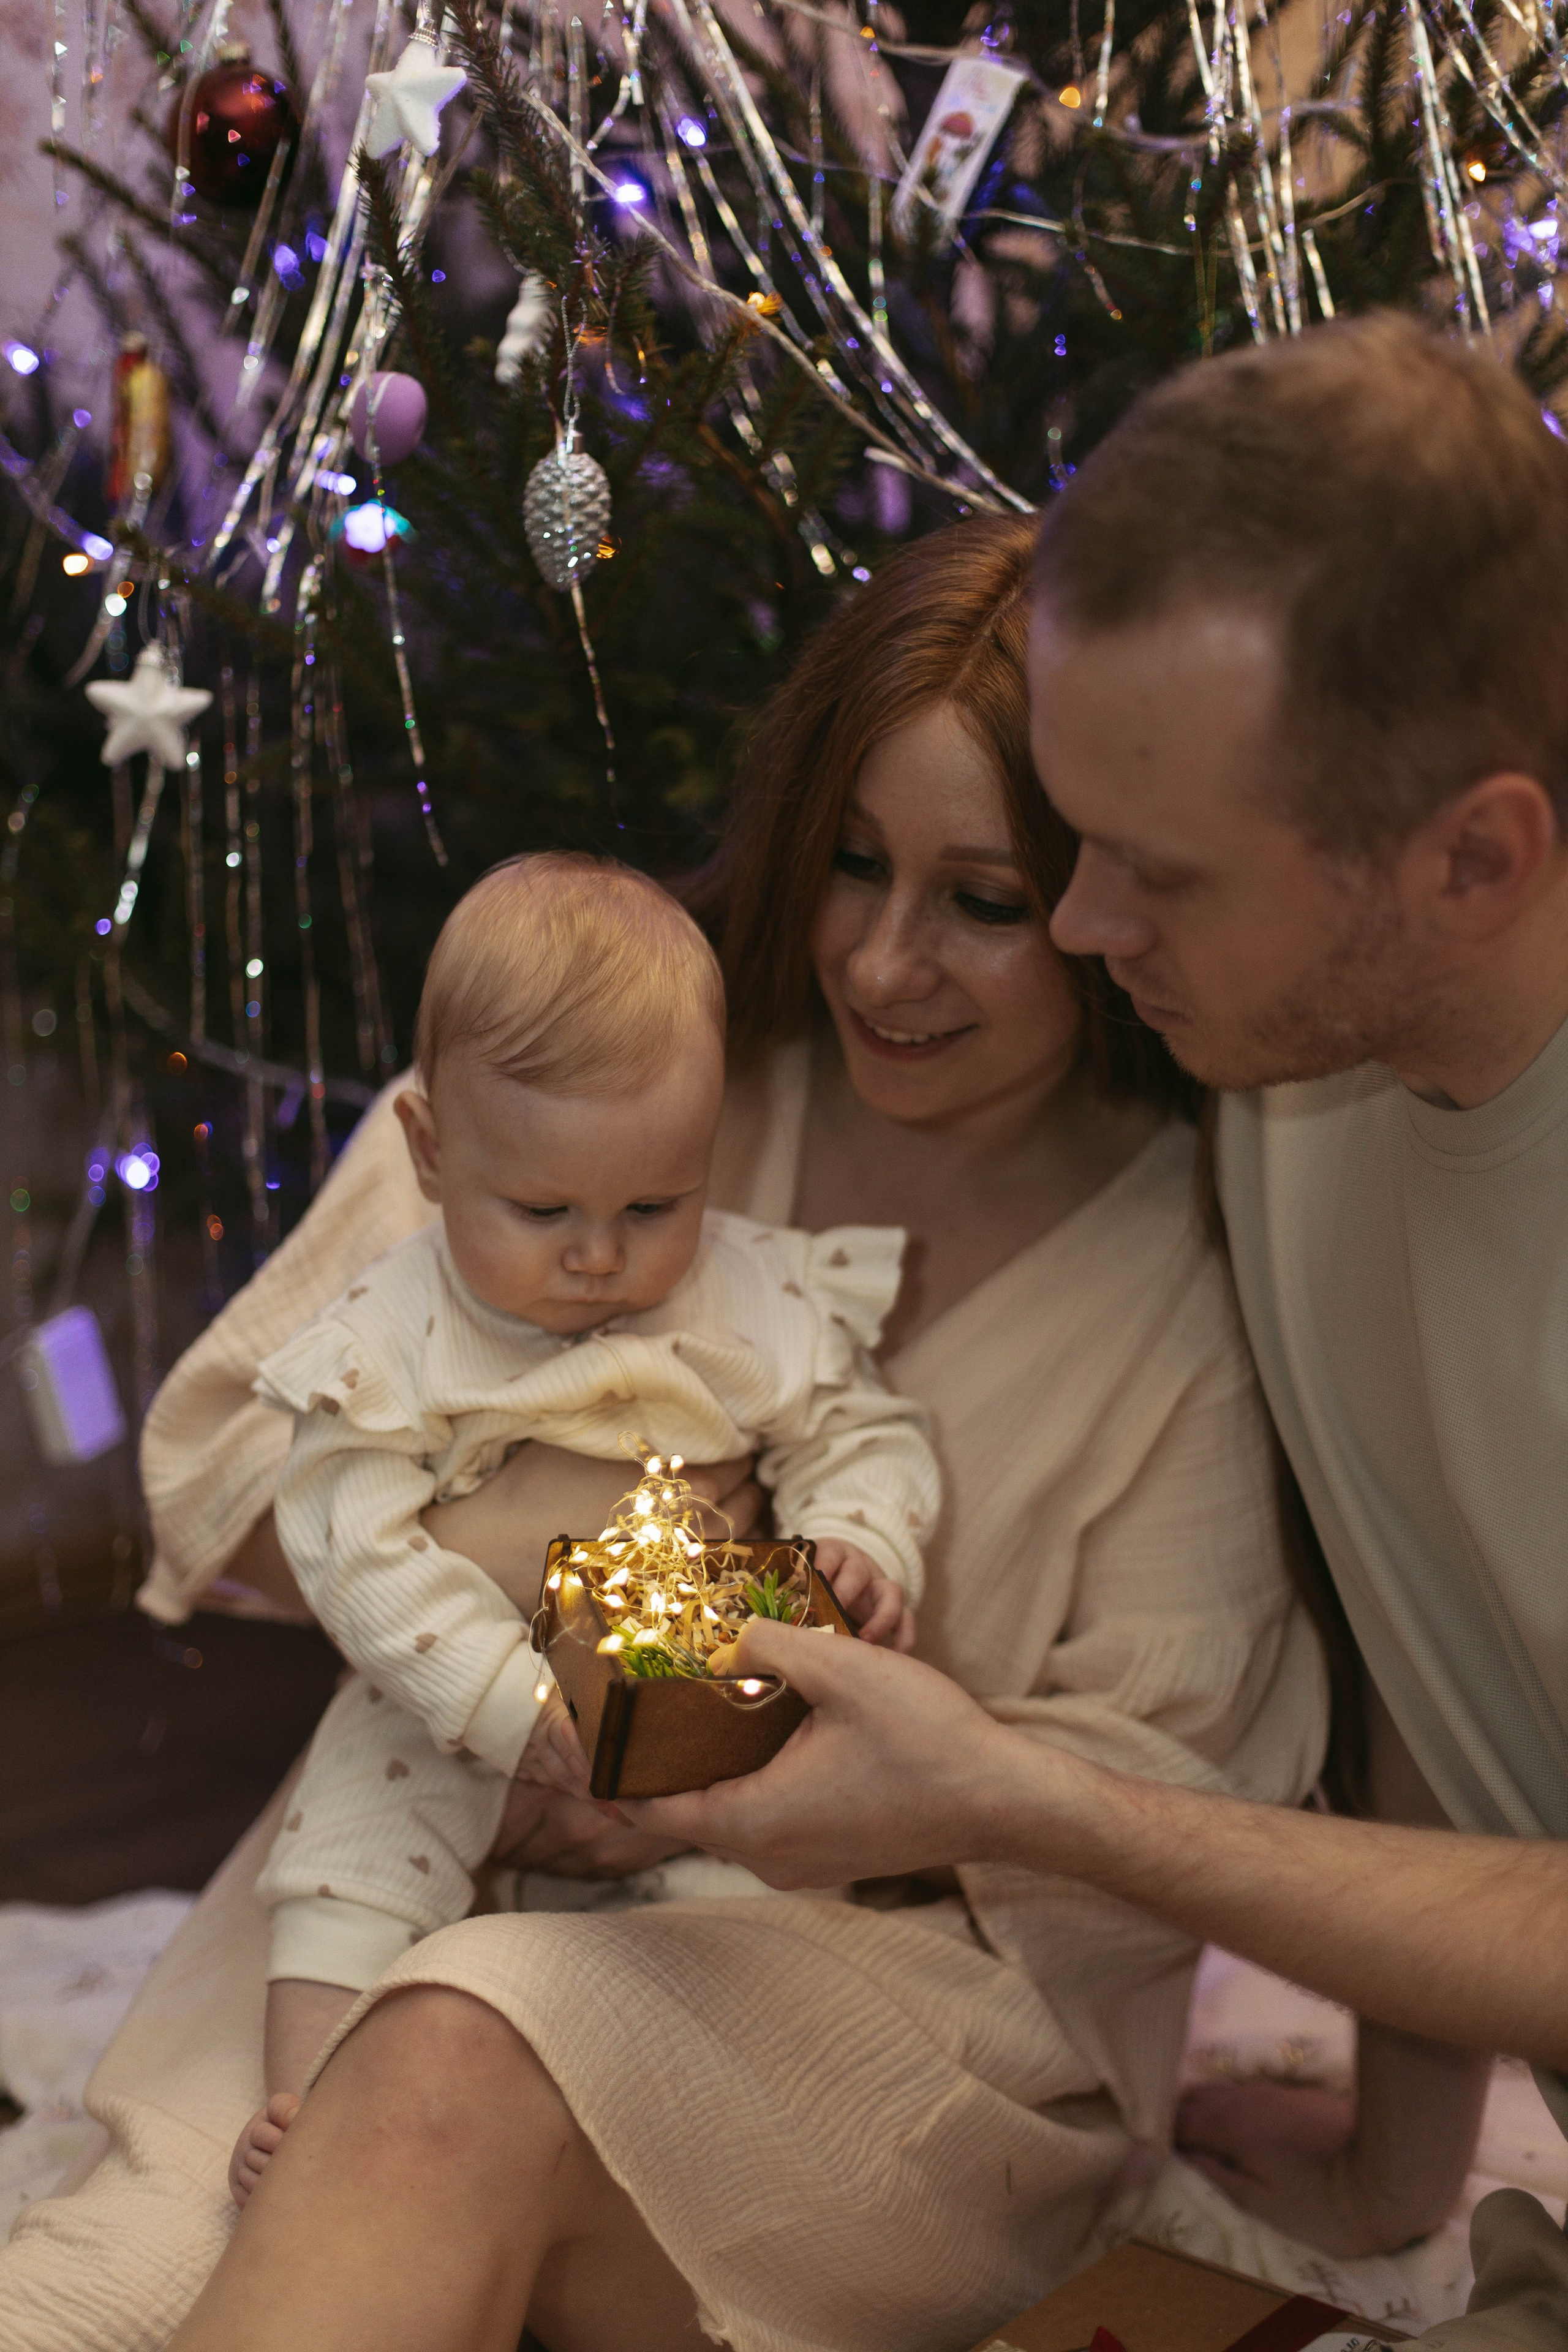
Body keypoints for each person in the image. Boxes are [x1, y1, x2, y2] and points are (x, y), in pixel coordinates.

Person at [4, 516, 1325, 2352]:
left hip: (877, 1990)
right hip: (439, 1832)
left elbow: (1154, 1812)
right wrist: (508, 1610)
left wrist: (782, 1787)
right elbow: (228, 1454)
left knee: (459, 2056)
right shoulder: (619, 1054)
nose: (880, 962)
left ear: (1109, 898)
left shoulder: (1197, 1270)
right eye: (851, 865)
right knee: (112, 2296)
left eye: (983, 899)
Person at [607, 315, 1568, 2347]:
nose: (1080, 928)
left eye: (1154, 872)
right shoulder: (1290, 1079)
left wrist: (1020, 1797)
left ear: (1478, 856)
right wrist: (1403, 2170)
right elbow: (1446, 1629)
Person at [235, 851, 932, 2198]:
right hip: (452, 1689)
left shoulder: (743, 1295)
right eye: (543, 1210)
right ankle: (312, 2110)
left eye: (649, 1206)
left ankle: (704, 2108)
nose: (599, 1257)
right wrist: (492, 1699)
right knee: (352, 1852)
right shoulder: (397, 1328)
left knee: (755, 1870)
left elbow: (864, 1429)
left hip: (681, 1661)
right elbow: (342, 1526)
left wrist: (862, 1541)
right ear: (434, 1153)